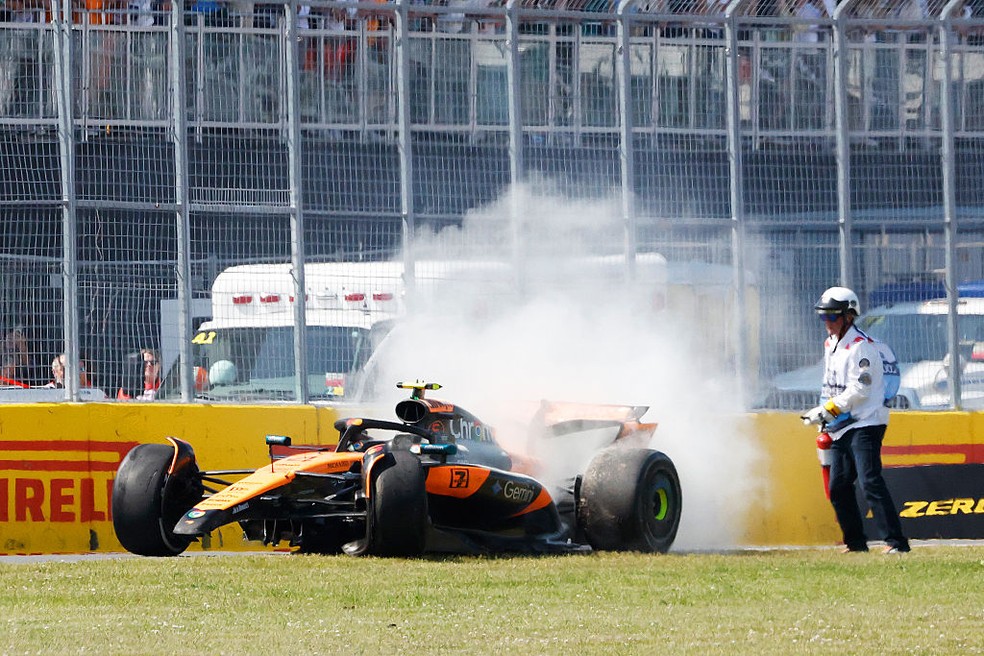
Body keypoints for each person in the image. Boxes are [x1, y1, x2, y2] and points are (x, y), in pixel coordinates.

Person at [801, 286, 911, 554]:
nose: (827, 323)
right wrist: (824, 413)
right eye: (823, 317)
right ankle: (856, 543)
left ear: (849, 316)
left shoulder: (862, 347)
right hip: (840, 425)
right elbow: (830, 385)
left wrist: (829, 409)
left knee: (869, 480)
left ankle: (896, 543)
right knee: (838, 486)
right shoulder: (830, 345)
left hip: (866, 423)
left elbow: (860, 390)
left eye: (832, 317)